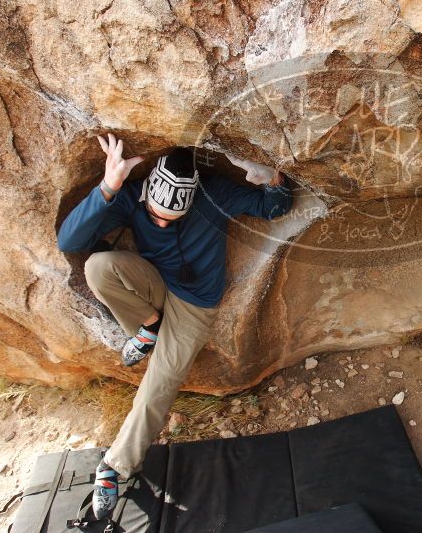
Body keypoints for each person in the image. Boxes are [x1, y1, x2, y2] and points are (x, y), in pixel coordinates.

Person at [57, 133, 293, 518]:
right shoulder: (133, 196)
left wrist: (273, 180)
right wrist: (108, 186)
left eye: (172, 219)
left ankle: (114, 468)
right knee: (98, 267)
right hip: (153, 283)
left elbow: (274, 208)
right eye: (155, 216)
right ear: (148, 192)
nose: (162, 224)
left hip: (194, 306)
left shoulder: (213, 195)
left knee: (159, 385)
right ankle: (148, 327)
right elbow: (70, 240)